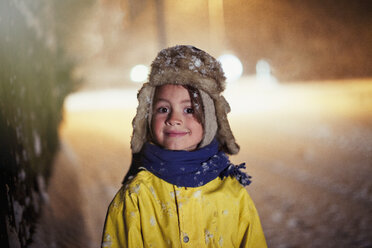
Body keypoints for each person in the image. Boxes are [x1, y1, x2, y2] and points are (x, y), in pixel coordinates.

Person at [101, 45, 267, 247]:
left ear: (211, 119)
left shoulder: (233, 194)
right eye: (163, 108)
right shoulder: (136, 197)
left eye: (189, 109)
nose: (174, 119)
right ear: (148, 115)